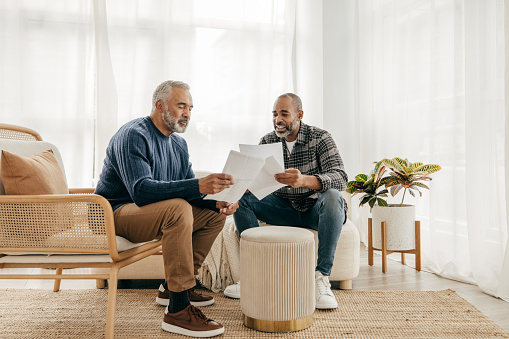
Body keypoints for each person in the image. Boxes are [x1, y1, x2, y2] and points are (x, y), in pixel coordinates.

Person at [95, 80, 238, 337]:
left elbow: (188, 193)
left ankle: (174, 287)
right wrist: (197, 184)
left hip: (145, 213)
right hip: (113, 213)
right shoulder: (134, 134)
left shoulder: (178, 145)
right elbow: (141, 191)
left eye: (190, 108)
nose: (187, 114)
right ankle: (178, 311)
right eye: (181, 105)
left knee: (214, 216)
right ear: (160, 106)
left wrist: (215, 201)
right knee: (177, 209)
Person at [224, 93, 348, 309]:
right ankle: (256, 277)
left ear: (299, 115)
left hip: (315, 211)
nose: (277, 119)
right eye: (274, 114)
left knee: (333, 196)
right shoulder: (267, 141)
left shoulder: (320, 137)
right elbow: (256, 181)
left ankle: (321, 278)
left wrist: (304, 180)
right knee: (242, 199)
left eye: (284, 114)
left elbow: (340, 177)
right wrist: (241, 188)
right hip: (281, 208)